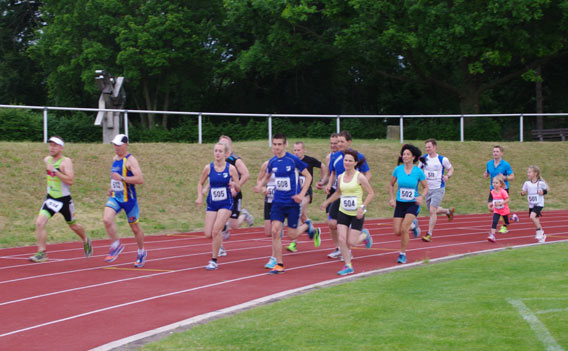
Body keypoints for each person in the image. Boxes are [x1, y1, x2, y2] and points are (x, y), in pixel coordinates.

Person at [254, 133, 321, 274]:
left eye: (279, 144)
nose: (276, 147)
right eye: (274, 144)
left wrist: (302, 194)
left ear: (285, 145)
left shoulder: (293, 160)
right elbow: (267, 176)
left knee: (292, 235)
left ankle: (306, 226)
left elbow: (308, 177)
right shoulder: (272, 161)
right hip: (278, 202)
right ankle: (279, 264)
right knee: (275, 231)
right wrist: (260, 185)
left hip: (292, 203)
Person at [29, 136, 92, 263]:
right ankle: (42, 252)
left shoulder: (65, 162)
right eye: (50, 145)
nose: (52, 148)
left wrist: (56, 172)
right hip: (51, 199)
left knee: (73, 225)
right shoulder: (47, 159)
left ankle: (85, 239)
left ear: (61, 148)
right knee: (40, 223)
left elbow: (71, 180)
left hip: (64, 201)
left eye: (55, 145)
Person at [320, 150, 374, 275]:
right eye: (346, 160)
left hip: (357, 213)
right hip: (343, 211)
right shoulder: (340, 177)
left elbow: (371, 193)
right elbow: (339, 193)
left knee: (351, 242)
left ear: (355, 163)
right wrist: (327, 202)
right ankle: (348, 265)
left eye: (350, 161)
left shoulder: (359, 177)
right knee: (342, 239)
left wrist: (362, 207)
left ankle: (365, 235)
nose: (347, 163)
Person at [325, 131, 371, 260]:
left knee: (346, 225)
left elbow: (368, 174)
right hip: (339, 193)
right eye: (337, 141)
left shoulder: (358, 156)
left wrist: (358, 186)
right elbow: (332, 173)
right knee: (332, 223)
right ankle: (340, 248)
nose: (339, 144)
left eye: (342, 141)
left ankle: (350, 248)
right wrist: (328, 184)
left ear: (349, 142)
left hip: (352, 195)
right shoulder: (334, 156)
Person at [103, 134, 147, 267]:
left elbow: (139, 179)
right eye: (114, 145)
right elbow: (115, 178)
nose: (116, 147)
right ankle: (116, 244)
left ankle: (141, 251)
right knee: (106, 219)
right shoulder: (114, 159)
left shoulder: (131, 160)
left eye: (119, 145)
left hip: (130, 200)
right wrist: (112, 188)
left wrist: (122, 178)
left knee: (134, 228)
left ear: (126, 145)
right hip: (117, 197)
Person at [196, 142, 241, 270]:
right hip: (212, 203)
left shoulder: (231, 168)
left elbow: (238, 187)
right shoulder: (208, 168)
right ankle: (222, 230)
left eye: (220, 151)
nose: (217, 153)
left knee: (216, 231)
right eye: (215, 150)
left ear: (225, 154)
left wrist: (234, 184)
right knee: (208, 234)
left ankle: (214, 260)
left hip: (226, 203)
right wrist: (200, 196)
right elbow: (200, 183)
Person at [388, 144, 428, 264]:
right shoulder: (398, 169)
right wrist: (392, 198)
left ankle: (402, 254)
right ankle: (414, 225)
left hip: (413, 203)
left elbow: (426, 187)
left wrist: (421, 197)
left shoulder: (418, 171)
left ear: (413, 157)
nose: (405, 156)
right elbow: (391, 184)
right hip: (400, 203)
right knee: (397, 231)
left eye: (407, 154)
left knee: (404, 228)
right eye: (404, 154)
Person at [286, 141, 326, 253]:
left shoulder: (309, 160)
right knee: (303, 216)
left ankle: (294, 243)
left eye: (299, 150)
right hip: (296, 192)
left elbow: (322, 166)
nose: (297, 152)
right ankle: (314, 231)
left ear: (304, 150)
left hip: (307, 191)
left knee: (297, 212)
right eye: (295, 150)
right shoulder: (292, 161)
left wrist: (322, 180)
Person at [217, 135, 253, 257]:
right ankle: (220, 247)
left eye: (225, 144)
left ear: (230, 146)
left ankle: (244, 214)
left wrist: (236, 187)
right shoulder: (218, 160)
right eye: (220, 144)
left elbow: (246, 174)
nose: (222, 147)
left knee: (235, 225)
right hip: (222, 195)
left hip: (234, 195)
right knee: (218, 220)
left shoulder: (235, 159)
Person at [419, 138, 455, 242]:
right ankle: (447, 211)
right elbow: (418, 170)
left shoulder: (442, 159)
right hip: (427, 189)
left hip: (438, 188)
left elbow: (451, 169)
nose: (427, 149)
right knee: (433, 210)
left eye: (429, 147)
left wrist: (448, 176)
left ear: (434, 147)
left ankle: (429, 234)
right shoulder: (423, 158)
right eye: (426, 147)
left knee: (431, 211)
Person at [483, 145, 514, 233]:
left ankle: (504, 226)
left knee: (501, 208)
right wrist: (486, 174)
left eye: (497, 151)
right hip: (493, 189)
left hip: (503, 189)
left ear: (501, 153)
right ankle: (511, 219)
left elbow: (512, 177)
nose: (495, 153)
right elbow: (487, 172)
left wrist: (505, 177)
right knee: (490, 207)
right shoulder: (489, 163)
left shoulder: (505, 165)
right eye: (494, 151)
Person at [256, 160, 280, 269]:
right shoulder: (266, 164)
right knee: (268, 232)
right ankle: (306, 227)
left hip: (280, 201)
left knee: (276, 231)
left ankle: (274, 258)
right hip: (269, 199)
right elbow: (259, 180)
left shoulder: (286, 163)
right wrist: (263, 188)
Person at [487, 175, 519, 243]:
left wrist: (501, 203)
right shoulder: (492, 191)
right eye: (493, 182)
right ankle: (492, 236)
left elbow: (507, 200)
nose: (494, 184)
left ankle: (514, 218)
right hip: (497, 210)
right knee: (494, 221)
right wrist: (492, 204)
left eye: (496, 183)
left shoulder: (503, 191)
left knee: (507, 222)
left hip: (504, 210)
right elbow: (495, 200)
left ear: (501, 184)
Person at [521, 165, 548, 243]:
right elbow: (523, 192)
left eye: (529, 172)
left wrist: (542, 192)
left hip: (539, 203)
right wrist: (523, 193)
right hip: (531, 204)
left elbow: (546, 191)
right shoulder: (527, 183)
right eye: (527, 172)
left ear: (535, 173)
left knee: (532, 216)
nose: (528, 174)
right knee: (535, 219)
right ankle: (542, 236)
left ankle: (539, 231)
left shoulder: (541, 183)